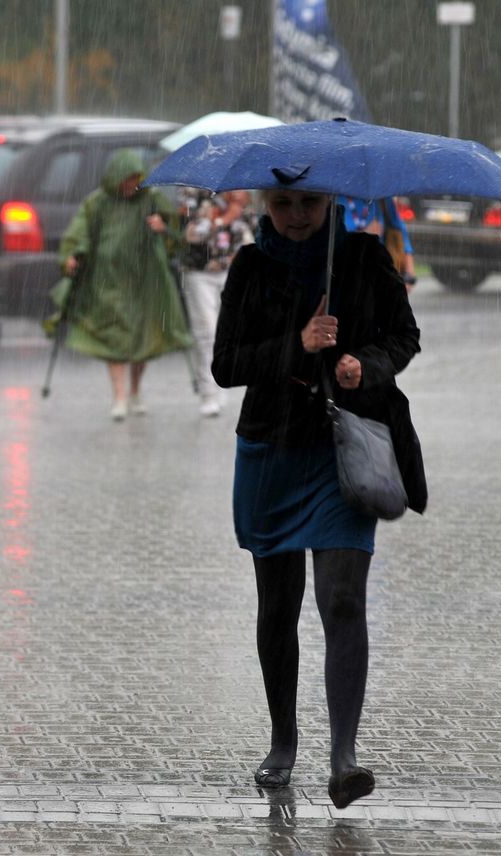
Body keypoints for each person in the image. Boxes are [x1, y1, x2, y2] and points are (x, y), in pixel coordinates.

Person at [211, 188, 426, 809]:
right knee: (277, 606)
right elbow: (226, 364)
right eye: (283, 203)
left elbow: (405, 336)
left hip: (344, 453)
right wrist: (297, 345)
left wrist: (365, 363)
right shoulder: (251, 267)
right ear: (265, 204)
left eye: (308, 201)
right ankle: (283, 739)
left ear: (330, 200)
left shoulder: (362, 258)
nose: (297, 215)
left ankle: (344, 757)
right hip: (271, 454)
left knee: (341, 598)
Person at [57, 149, 193, 420]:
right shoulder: (97, 203)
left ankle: (135, 390)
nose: (132, 185)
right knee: (115, 334)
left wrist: (162, 228)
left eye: (136, 179)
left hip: (145, 279)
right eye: (128, 179)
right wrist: (72, 256)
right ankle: (119, 396)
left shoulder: (152, 199)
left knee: (141, 337)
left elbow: (179, 237)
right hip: (107, 278)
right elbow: (79, 232)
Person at [179, 188, 257, 417]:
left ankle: (224, 378)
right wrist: (223, 216)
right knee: (207, 332)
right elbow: (191, 234)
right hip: (200, 271)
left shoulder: (243, 192)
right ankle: (208, 392)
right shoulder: (192, 192)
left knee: (235, 331)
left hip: (234, 270)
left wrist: (240, 210)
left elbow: (252, 229)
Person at [339, 196, 417, 293]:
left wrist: (409, 275)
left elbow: (400, 232)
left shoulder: (381, 196)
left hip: (377, 277)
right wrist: (363, 235)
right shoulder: (333, 196)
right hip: (344, 277)